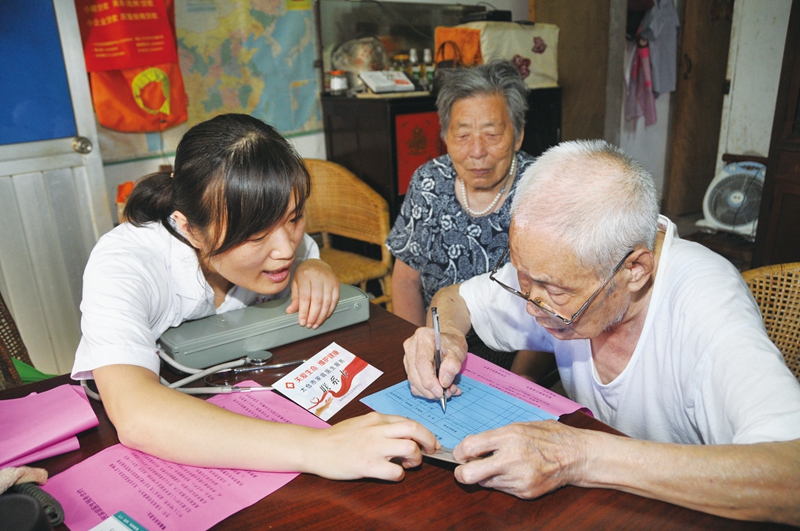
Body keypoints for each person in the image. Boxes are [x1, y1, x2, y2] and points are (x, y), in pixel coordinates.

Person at [402, 139, 800, 524]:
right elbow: (453, 299)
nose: (530, 304)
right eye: (523, 280)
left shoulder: (706, 304)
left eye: (554, 290)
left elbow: (791, 479)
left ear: (635, 271)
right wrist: (445, 336)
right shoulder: (559, 265)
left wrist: (583, 456)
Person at [72, 114, 436, 481]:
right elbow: (137, 415)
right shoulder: (124, 263)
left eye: (294, 219)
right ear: (189, 229)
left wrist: (315, 266)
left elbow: (303, 249)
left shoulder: (281, 245)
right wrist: (318, 447)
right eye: (257, 236)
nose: (284, 250)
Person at [387, 60, 546, 376]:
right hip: (440, 343)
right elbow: (406, 280)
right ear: (445, 136)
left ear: (518, 136)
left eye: (492, 133)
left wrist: (521, 381)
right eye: (462, 135)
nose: (476, 151)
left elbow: (551, 306)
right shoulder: (429, 182)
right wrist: (422, 352)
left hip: (513, 356)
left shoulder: (541, 189)